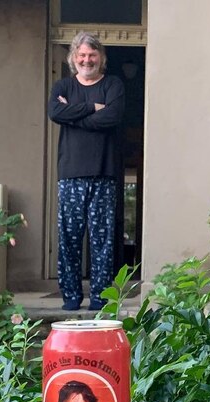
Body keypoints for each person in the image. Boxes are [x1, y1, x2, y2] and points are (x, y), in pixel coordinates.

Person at [48, 32, 125, 311]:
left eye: (92, 55)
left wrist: (75, 116)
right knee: (69, 238)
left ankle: (100, 297)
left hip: (104, 174)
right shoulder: (63, 86)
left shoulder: (113, 85)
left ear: (101, 58)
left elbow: (112, 117)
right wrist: (92, 108)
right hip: (70, 174)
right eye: (81, 55)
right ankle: (70, 296)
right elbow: (56, 113)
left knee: (102, 240)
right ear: (73, 58)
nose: (86, 60)